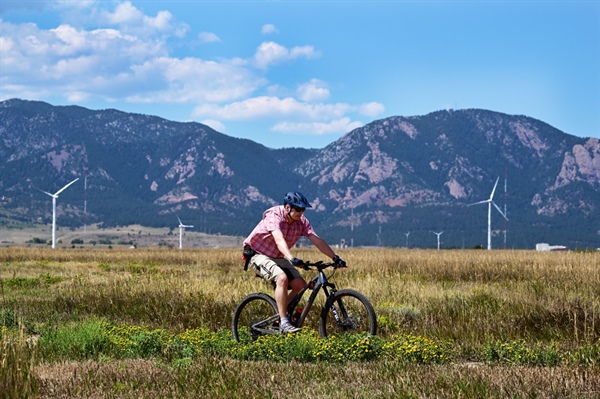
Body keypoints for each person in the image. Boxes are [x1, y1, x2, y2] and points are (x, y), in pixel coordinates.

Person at [242, 191, 346, 334]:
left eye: (303, 209)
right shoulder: (274, 216)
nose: (300, 212)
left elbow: (317, 240)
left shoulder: (301, 222)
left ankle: (280, 316)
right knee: (282, 278)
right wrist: (291, 258)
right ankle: (284, 321)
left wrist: (335, 258)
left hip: (277, 257)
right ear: (287, 207)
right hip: (257, 254)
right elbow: (279, 239)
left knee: (301, 286)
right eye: (297, 209)